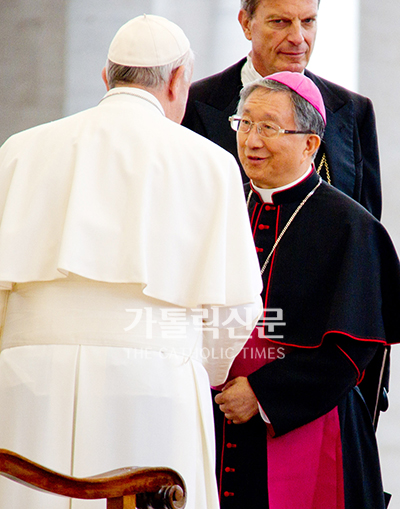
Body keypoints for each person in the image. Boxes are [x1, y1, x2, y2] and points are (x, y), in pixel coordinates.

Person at [0, 14, 263, 509]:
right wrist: (192, 367)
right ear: (178, 80)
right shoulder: (210, 162)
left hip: (29, 384)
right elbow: (237, 310)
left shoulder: (19, 150)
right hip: (153, 385)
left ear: (106, 77)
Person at [212, 72, 400, 508]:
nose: (252, 140)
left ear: (310, 145)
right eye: (245, 124)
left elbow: (353, 350)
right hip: (215, 420)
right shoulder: (221, 207)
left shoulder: (351, 227)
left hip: (307, 421)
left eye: (269, 128)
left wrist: (263, 393)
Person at [182, 0, 381, 221]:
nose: (298, 38)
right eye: (280, 22)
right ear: (246, 23)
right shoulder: (193, 105)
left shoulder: (353, 111)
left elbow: (365, 232)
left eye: (308, 21)